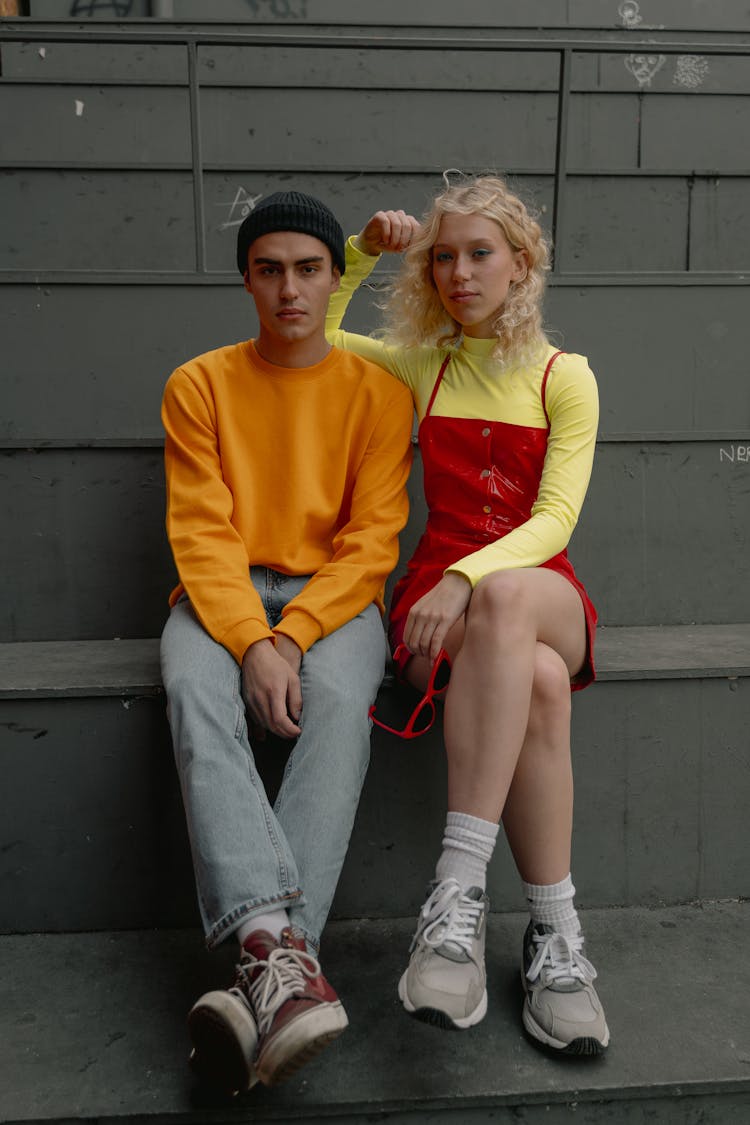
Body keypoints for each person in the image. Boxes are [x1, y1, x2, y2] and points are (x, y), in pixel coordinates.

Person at [325, 174, 610, 1055]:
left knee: (513, 599)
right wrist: (362, 253)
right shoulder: (427, 363)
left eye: (480, 253)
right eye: (442, 256)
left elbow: (554, 522)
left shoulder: (568, 377)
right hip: (446, 616)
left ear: (521, 264)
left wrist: (465, 579)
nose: (458, 272)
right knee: (538, 684)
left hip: (536, 586)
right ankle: (556, 937)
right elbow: (329, 334)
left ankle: (456, 894)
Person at [160, 190, 413, 1093]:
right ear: (247, 281)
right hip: (221, 587)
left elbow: (372, 541)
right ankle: (284, 965)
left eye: (309, 269)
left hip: (333, 595)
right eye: (270, 270)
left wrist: (295, 633)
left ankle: (259, 968)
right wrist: (249, 638)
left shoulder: (378, 394)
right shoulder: (198, 384)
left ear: (332, 276)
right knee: (196, 689)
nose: (290, 289)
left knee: (343, 698)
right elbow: (201, 532)